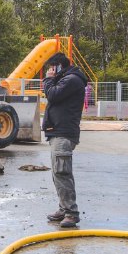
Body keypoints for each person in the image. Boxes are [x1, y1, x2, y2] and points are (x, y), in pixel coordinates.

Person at [41, 52, 88, 228]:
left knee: (62, 172)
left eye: (51, 68)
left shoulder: (72, 80)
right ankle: (63, 208)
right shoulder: (65, 79)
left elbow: (52, 95)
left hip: (64, 132)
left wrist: (48, 80)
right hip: (57, 131)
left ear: (58, 66)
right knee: (57, 173)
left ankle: (71, 213)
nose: (49, 71)